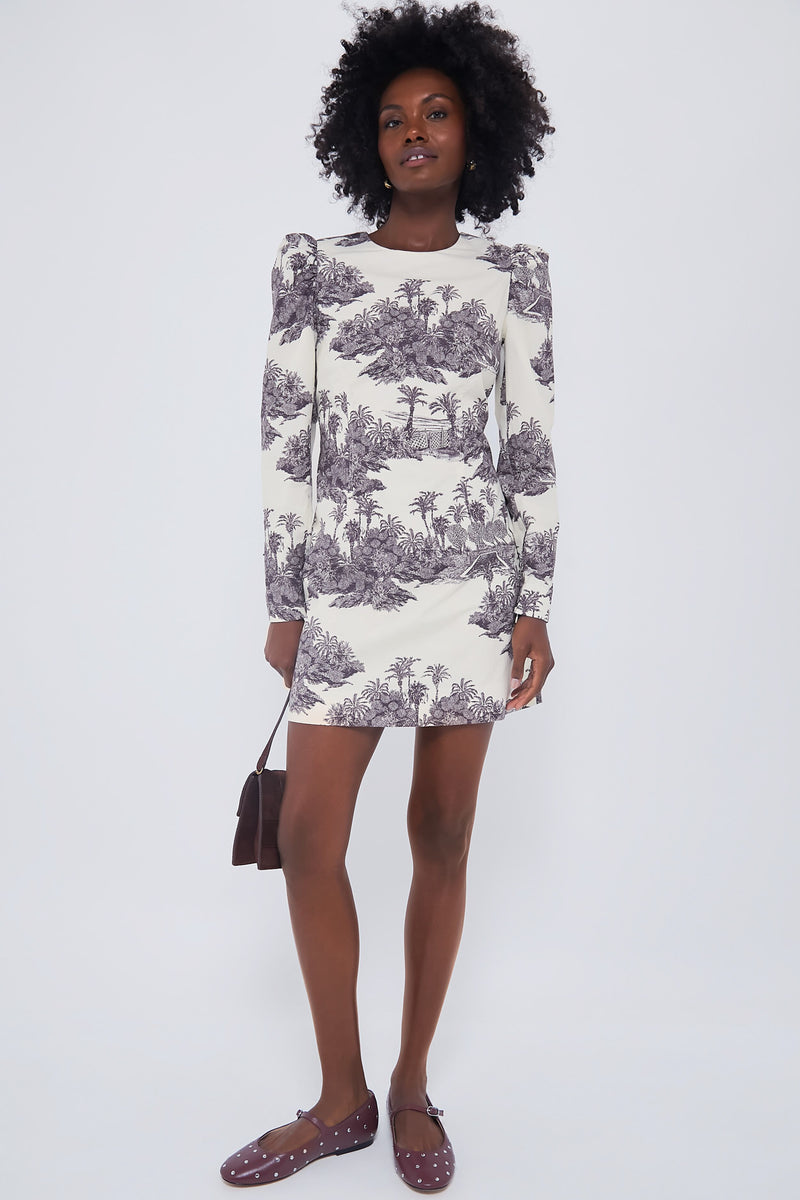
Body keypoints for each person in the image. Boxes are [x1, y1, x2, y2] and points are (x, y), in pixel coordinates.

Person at [221, 1, 558, 1190]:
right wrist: (286, 600)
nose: (412, 132)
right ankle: (340, 1098)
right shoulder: (315, 272)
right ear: (363, 141)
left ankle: (410, 1086)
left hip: (471, 594)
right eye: (390, 118)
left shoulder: (513, 278)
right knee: (308, 837)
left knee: (442, 835)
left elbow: (530, 448)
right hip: (345, 598)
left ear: (477, 132)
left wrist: (534, 599)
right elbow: (284, 441)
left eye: (437, 113)